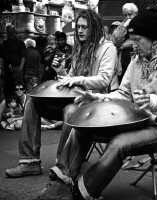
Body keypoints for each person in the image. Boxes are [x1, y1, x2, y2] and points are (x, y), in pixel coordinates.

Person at [32, 10, 157, 200]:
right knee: (83, 127)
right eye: (131, 40)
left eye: (138, 40)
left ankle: (82, 193)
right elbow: (123, 93)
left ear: (154, 40)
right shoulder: (137, 60)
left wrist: (153, 101)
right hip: (138, 120)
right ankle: (61, 183)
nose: (133, 45)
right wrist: (97, 98)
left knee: (119, 143)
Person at [5, 9, 118, 179]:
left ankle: (62, 165)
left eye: (84, 27)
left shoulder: (108, 48)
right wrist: (62, 73)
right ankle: (29, 162)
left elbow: (104, 80)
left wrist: (77, 79)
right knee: (32, 101)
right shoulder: (79, 48)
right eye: (78, 27)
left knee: (70, 111)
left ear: (94, 28)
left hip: (93, 103)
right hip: (73, 98)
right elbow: (71, 78)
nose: (80, 30)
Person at [2, 24, 26, 102]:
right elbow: (2, 57)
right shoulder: (5, 43)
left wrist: (20, 69)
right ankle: (10, 105)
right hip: (8, 69)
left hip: (16, 68)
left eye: (11, 32)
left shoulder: (20, 43)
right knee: (9, 87)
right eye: (9, 32)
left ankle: (20, 104)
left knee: (18, 88)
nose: (10, 33)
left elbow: (23, 56)